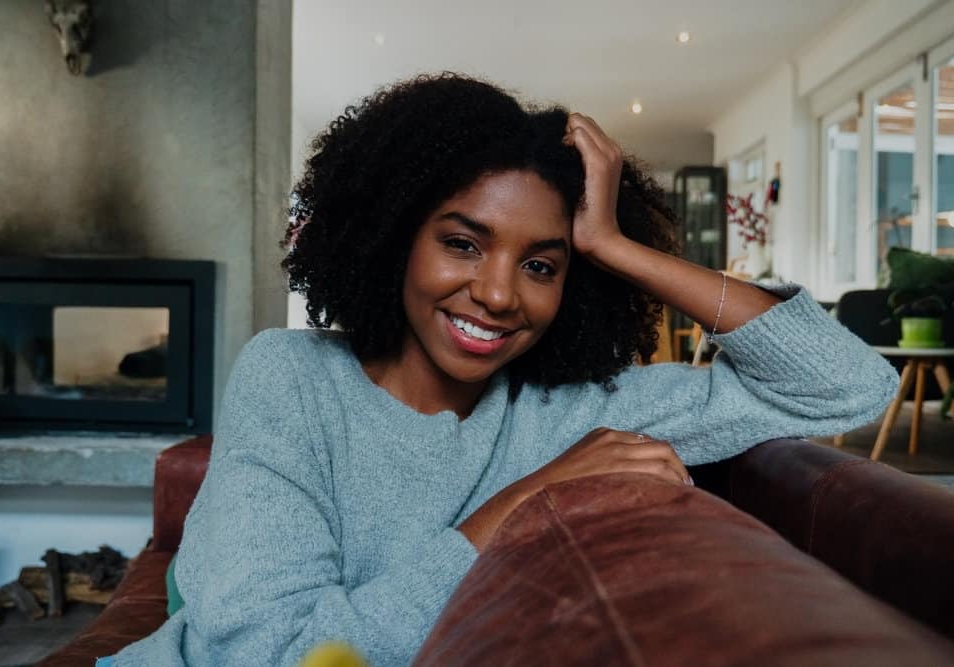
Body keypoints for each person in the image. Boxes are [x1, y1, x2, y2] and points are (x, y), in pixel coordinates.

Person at [106, 73, 897, 666]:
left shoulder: (568, 410)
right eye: (462, 242)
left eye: (543, 265)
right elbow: (274, 658)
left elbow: (845, 384)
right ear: (391, 234)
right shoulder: (289, 375)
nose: (495, 293)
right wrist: (527, 499)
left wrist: (620, 249)